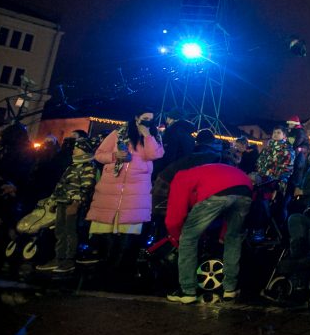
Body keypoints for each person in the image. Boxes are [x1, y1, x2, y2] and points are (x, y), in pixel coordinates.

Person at [84, 110, 164, 276]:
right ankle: (104, 267)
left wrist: (147, 135)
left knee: (129, 233)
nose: (148, 122)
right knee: (106, 231)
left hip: (136, 190)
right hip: (111, 187)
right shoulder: (118, 133)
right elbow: (99, 155)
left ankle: (122, 270)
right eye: (144, 119)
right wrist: (115, 156)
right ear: (136, 118)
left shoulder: (154, 136)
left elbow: (154, 155)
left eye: (151, 119)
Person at [165, 162, 253, 303]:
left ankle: (188, 291)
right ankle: (230, 289)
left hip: (216, 193)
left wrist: (177, 237)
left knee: (188, 239)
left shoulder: (180, 177)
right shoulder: (207, 170)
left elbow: (175, 215)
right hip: (245, 189)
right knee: (233, 238)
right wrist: (223, 233)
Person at [34, 137, 99, 274]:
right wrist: (53, 200)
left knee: (70, 232)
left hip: (72, 204)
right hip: (62, 202)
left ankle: (68, 260)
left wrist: (76, 203)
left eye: (77, 148)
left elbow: (86, 187)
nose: (74, 150)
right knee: (60, 231)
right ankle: (59, 258)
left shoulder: (88, 167)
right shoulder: (72, 166)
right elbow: (61, 184)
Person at [156, 108, 195, 175]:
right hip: (183, 170)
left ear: (171, 118)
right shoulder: (189, 134)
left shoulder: (171, 132)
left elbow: (168, 154)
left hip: (169, 170)